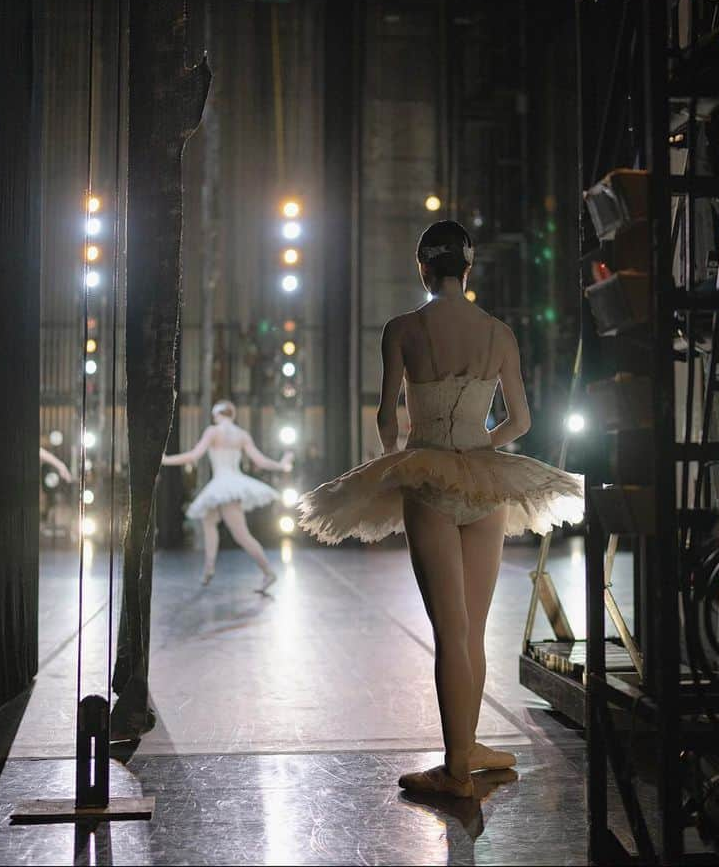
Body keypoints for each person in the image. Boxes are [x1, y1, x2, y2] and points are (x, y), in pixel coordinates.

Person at [298, 220, 583, 798]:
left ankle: (456, 769)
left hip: (428, 474)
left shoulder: (403, 328)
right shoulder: (498, 332)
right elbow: (522, 421)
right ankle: (467, 744)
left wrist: (396, 463)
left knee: (448, 630)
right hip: (483, 477)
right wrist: (481, 447)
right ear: (468, 269)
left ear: (423, 268)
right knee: (472, 630)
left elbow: (386, 416)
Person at [162, 400, 293, 592]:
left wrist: (166, 460)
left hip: (224, 485)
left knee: (241, 535)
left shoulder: (213, 432)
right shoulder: (242, 435)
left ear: (217, 415)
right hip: (232, 484)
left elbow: (193, 456)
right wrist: (281, 465)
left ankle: (267, 572)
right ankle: (209, 568)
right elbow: (260, 460)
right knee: (209, 520)